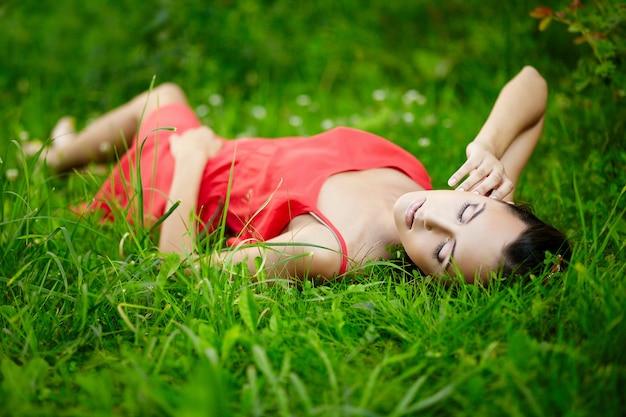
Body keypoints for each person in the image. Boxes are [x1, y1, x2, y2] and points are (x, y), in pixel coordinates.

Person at [32, 66, 571, 284]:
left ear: (437, 277)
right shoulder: (473, 196)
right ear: (500, 199)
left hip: (179, 182)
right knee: (163, 101)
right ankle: (61, 154)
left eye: (442, 252)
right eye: (466, 209)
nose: (430, 217)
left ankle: (56, 157)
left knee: (165, 100)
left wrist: (192, 160)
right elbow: (534, 86)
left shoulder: (334, 248)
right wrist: (490, 147)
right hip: (217, 153)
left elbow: (185, 269)